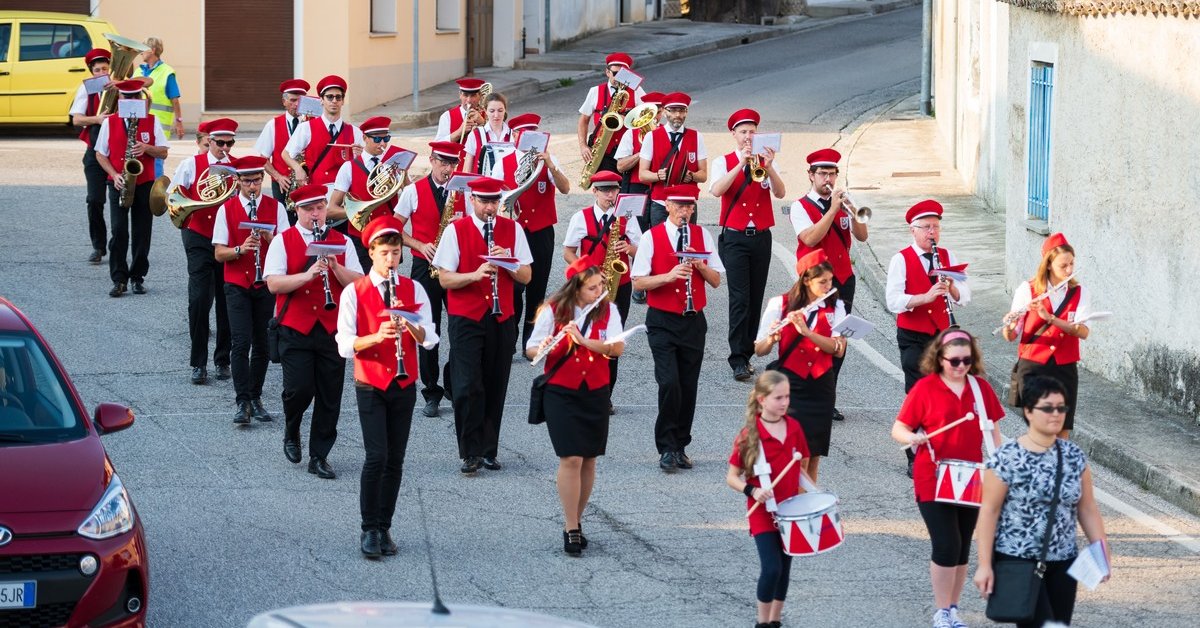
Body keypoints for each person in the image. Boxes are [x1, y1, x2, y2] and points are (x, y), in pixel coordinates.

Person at [336, 215, 439, 559]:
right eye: (385, 253)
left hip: (403, 381)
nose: (392, 259)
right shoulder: (355, 292)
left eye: (396, 253)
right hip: (370, 382)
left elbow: (430, 338)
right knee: (376, 456)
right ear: (371, 253)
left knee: (395, 459)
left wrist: (412, 328)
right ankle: (368, 528)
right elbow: (345, 344)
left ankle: (385, 526)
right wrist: (376, 337)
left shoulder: (413, 289)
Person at [974, 375, 1110, 628]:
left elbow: (1087, 508)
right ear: (1028, 411)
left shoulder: (1074, 456)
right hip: (1018, 560)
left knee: (1058, 624)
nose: (1056, 414)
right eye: (1047, 408)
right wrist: (984, 565)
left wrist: (1101, 550)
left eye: (1061, 408)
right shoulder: (1007, 458)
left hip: (1063, 560)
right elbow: (989, 512)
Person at [891, 329, 1004, 628]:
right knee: (946, 543)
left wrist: (1002, 465)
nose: (960, 366)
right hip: (933, 474)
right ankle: (941, 612)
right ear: (939, 359)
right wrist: (913, 438)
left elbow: (993, 432)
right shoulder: (925, 389)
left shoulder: (981, 389)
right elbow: (899, 429)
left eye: (967, 360)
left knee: (963, 544)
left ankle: (953, 609)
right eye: (954, 360)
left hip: (971, 476)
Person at [432, 176, 533, 474]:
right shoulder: (455, 230)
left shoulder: (512, 229)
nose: (489, 208)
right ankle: (470, 451)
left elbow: (526, 276)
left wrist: (509, 263)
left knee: (494, 384)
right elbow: (444, 277)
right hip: (466, 318)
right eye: (484, 201)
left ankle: (489, 450)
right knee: (466, 385)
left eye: (494, 202)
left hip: (501, 317)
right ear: (472, 200)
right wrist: (474, 275)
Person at [264, 183, 364, 479]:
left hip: (332, 329)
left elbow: (358, 282)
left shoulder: (341, 242)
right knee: (299, 389)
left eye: (320, 207)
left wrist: (335, 268)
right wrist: (308, 275)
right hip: (296, 327)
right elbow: (273, 284)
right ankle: (292, 428)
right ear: (298, 211)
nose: (317, 214)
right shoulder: (284, 241)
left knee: (329, 395)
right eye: (310, 209)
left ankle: (319, 455)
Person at [525, 258, 625, 556]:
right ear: (576, 288)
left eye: (600, 286)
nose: (599, 292)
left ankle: (577, 519)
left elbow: (616, 348)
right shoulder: (553, 309)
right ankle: (571, 526)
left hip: (595, 390)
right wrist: (543, 348)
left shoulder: (609, 310)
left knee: (589, 459)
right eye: (592, 288)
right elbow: (531, 346)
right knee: (571, 458)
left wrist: (584, 341)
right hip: (561, 392)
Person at [631, 184, 724, 472]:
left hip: (693, 319)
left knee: (688, 385)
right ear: (667, 206)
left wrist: (699, 264)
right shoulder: (651, 237)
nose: (685, 211)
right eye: (679, 205)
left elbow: (716, 280)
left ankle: (681, 445)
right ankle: (666, 447)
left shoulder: (701, 235)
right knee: (669, 382)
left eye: (689, 206)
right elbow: (638, 282)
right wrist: (669, 276)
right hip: (662, 321)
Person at [886, 199, 971, 477]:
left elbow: (966, 296)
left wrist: (952, 290)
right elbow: (893, 301)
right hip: (913, 335)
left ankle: (942, 449)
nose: (932, 232)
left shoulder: (948, 255)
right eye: (926, 227)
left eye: (936, 227)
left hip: (943, 336)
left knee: (945, 393)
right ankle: (916, 455)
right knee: (919, 392)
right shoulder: (901, 259)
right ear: (913, 230)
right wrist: (925, 297)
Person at [725, 370, 810, 628]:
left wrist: (818, 498)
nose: (784, 402)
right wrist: (752, 491)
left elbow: (802, 469)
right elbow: (732, 477)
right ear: (762, 400)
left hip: (790, 510)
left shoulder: (794, 427)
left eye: (787, 397)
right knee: (772, 568)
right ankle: (762, 623)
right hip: (762, 511)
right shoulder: (749, 434)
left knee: (784, 568)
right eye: (778, 398)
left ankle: (775, 621)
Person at [754, 250, 845, 482]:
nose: (828, 286)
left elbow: (838, 348)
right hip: (790, 385)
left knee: (814, 455)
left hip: (822, 385)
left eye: (830, 281)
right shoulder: (780, 304)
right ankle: (792, 507)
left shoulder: (837, 307)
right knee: (797, 455)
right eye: (822, 281)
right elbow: (759, 349)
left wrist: (806, 332)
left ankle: (808, 509)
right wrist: (772, 338)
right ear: (806, 280)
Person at [791, 148, 869, 421]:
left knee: (839, 339)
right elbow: (811, 239)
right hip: (814, 281)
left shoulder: (844, 202)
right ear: (811, 175)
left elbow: (861, 236)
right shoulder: (800, 206)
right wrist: (833, 209)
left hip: (844, 278)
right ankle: (808, 393)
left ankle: (828, 396)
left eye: (832, 174)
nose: (827, 178)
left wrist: (851, 211)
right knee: (814, 336)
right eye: (822, 173)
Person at [212, 156, 289, 425]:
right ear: (238, 182)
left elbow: (286, 246)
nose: (253, 186)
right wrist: (239, 250)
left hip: (264, 283)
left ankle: (255, 398)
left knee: (263, 344)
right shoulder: (227, 209)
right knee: (240, 342)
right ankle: (242, 400)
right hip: (236, 283)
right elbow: (219, 253)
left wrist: (270, 239)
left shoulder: (275, 207)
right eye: (247, 181)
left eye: (257, 180)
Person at [712, 108, 786, 382]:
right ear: (733, 134)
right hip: (735, 238)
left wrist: (768, 168)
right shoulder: (724, 161)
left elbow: (780, 192)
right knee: (740, 299)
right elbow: (717, 190)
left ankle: (748, 352)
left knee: (755, 298)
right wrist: (739, 164)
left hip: (761, 237)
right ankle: (737, 359)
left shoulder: (766, 160)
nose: (747, 136)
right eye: (742, 132)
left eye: (752, 131)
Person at [490, 113, 569, 351]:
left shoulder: (548, 159)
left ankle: (530, 339)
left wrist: (551, 165)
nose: (529, 138)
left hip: (541, 231)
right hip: (513, 232)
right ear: (514, 135)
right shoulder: (502, 161)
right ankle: (510, 338)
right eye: (523, 133)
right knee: (514, 288)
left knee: (537, 288)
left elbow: (565, 188)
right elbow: (493, 197)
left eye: (534, 133)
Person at [395, 141, 463, 418]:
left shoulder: (463, 192)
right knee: (427, 329)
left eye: (452, 164)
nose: (447, 169)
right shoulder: (412, 191)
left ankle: (453, 382)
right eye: (443, 162)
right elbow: (396, 228)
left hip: (456, 266)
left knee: (460, 327)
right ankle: (431, 390)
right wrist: (419, 245)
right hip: (425, 265)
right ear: (432, 160)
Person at [563, 170, 641, 412]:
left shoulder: (627, 217)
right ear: (594, 191)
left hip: (620, 284)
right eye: (605, 190)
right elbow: (568, 251)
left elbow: (642, 250)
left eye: (614, 190)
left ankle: (605, 395)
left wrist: (628, 247)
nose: (611, 194)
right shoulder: (580, 217)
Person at [1001, 233, 1090, 439]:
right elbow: (1011, 335)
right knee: (1041, 430)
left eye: (1071, 264)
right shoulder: (1028, 289)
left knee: (1063, 430)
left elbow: (1083, 332)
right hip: (1033, 367)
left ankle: (1058, 469)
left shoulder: (1080, 292)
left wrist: (1049, 318)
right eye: (1063, 266)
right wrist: (1009, 323)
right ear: (1048, 265)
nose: (1069, 270)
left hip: (1064, 368)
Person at [172, 117, 237, 384]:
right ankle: (198, 363)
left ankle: (223, 359)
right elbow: (174, 196)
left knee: (227, 302)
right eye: (219, 142)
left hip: (227, 240)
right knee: (199, 300)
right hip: (198, 235)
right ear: (209, 141)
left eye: (229, 143)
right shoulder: (191, 164)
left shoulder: (237, 169)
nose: (224, 148)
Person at [93, 79, 170, 298]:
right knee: (118, 231)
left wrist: (147, 148)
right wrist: (114, 174)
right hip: (119, 182)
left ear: (140, 98)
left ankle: (137, 277)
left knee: (142, 232)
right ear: (120, 99)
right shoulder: (110, 122)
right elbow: (100, 154)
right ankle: (119, 279)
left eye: (136, 96)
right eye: (127, 97)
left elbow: (164, 152)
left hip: (144, 183)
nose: (132, 100)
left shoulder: (152, 121)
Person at [329, 116, 408, 271]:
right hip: (361, 238)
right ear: (364, 138)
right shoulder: (349, 167)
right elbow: (330, 209)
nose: (383, 144)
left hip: (388, 234)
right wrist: (355, 213)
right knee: (364, 287)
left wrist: (404, 174)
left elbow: (411, 195)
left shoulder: (394, 164)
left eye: (386, 138)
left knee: (389, 284)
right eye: (377, 139)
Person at [637, 92, 707, 227]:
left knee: (686, 244)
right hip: (661, 203)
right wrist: (658, 175)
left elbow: (703, 175)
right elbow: (642, 174)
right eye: (673, 110)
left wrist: (692, 176)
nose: (677, 115)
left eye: (682, 111)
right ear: (663, 111)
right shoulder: (651, 137)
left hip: (687, 203)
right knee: (661, 244)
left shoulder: (696, 136)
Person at [70, 48, 113, 265]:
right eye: (97, 70)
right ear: (92, 71)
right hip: (95, 152)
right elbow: (77, 120)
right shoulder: (86, 88)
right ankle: (98, 246)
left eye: (105, 68)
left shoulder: (118, 84)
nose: (101, 73)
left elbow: (147, 82)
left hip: (117, 154)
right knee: (94, 200)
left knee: (121, 203)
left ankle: (119, 245)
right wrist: (97, 119)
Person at [282, 75, 364, 188]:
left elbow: (363, 165)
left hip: (346, 191)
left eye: (338, 97)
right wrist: (298, 169)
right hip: (318, 192)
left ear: (343, 101)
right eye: (329, 97)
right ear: (321, 100)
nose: (334, 101)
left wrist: (359, 157)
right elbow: (286, 154)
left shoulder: (355, 132)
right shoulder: (306, 128)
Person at [576, 52, 645, 176]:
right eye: (615, 73)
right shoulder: (595, 91)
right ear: (607, 72)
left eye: (623, 74)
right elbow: (583, 120)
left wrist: (629, 118)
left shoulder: (637, 91)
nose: (619, 78)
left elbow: (648, 116)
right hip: (603, 150)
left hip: (627, 151)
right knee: (606, 189)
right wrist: (583, 146)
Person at [256, 78, 311, 214]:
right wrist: (278, 177)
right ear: (284, 102)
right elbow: (263, 158)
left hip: (308, 183)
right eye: (292, 100)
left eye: (300, 100)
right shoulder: (273, 125)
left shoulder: (312, 124)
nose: (296, 104)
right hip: (283, 185)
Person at [139, 36, 183, 178]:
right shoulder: (138, 71)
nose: (140, 52)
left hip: (158, 126)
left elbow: (174, 100)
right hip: (138, 123)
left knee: (156, 162)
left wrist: (179, 122)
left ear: (152, 50)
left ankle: (155, 194)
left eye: (143, 49)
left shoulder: (167, 72)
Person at [462, 92, 512, 176]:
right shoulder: (475, 135)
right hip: (481, 187)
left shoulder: (513, 135)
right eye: (492, 111)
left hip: (507, 188)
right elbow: (467, 170)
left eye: (500, 110)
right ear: (485, 111)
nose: (496, 115)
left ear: (505, 110)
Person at [435, 77, 486, 146]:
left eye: (473, 95)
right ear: (460, 95)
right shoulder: (447, 116)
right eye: (465, 95)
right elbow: (438, 145)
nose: (469, 100)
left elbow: (499, 142)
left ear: (480, 96)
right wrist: (459, 132)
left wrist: (483, 123)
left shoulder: (488, 115)